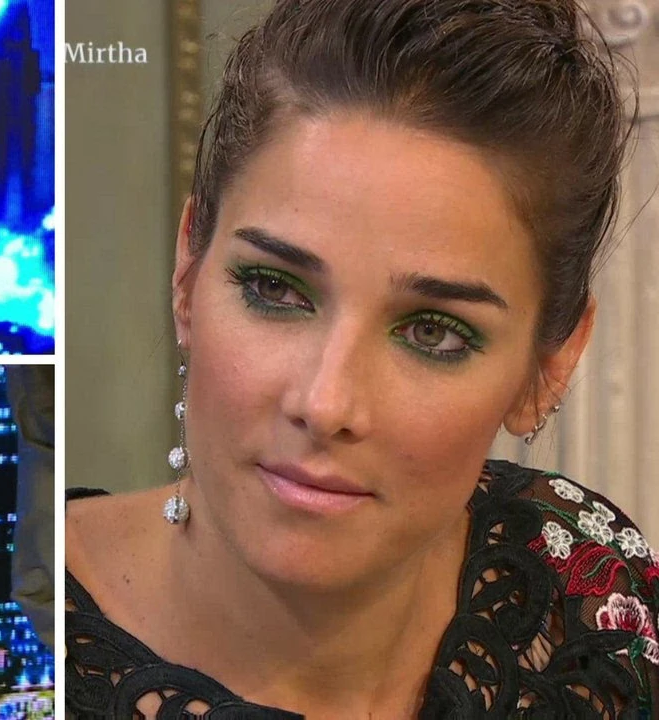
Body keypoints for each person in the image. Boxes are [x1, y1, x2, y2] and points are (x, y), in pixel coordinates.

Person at [64, 1, 659, 718]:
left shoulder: (588, 587)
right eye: (274, 288)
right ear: (188, 271)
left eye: (434, 333)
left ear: (552, 364)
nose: (325, 404)